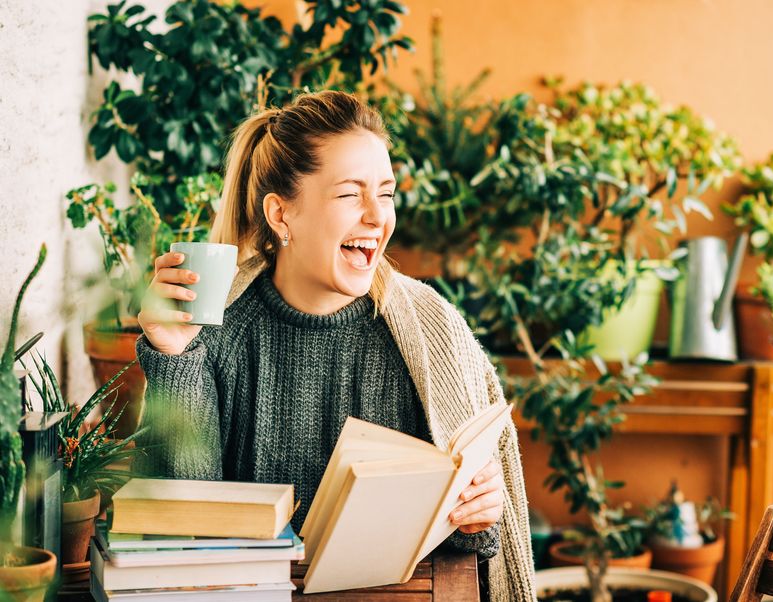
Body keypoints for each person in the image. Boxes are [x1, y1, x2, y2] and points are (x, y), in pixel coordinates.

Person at [135, 90, 536, 601]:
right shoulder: (214, 333)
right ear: (281, 215)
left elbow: (468, 548)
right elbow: (182, 531)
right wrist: (173, 358)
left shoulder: (432, 330)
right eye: (351, 194)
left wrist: (478, 513)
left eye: (386, 193)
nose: (376, 216)